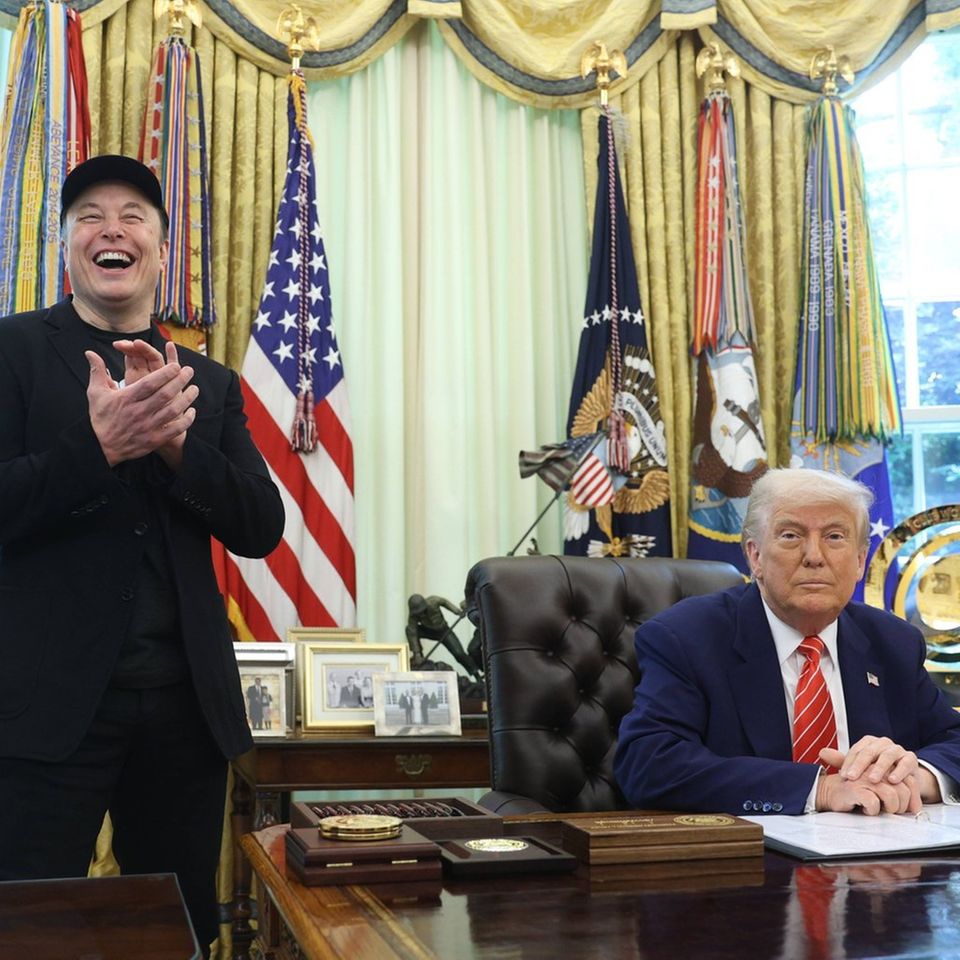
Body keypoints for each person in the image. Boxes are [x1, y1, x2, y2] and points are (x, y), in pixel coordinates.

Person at [0, 156, 285, 957]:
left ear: (161, 250)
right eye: (90, 215)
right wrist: (96, 449)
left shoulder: (207, 382)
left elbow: (262, 526)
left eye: (133, 215)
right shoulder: (13, 353)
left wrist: (175, 448)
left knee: (175, 926)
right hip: (43, 713)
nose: (111, 228)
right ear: (67, 247)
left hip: (181, 714)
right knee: (27, 928)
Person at [614, 468, 960, 817]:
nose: (814, 555)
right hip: (752, 861)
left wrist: (917, 775)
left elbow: (953, 739)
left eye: (835, 536)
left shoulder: (893, 642)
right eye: (791, 535)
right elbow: (648, 764)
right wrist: (819, 788)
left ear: (859, 562)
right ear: (755, 557)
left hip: (880, 861)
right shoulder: (686, 637)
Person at [405, 593, 483, 679]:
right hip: (428, 631)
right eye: (418, 613)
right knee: (409, 630)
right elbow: (412, 632)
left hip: (443, 631)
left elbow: (444, 602)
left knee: (459, 654)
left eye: (422, 611)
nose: (421, 615)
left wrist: (456, 611)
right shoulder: (413, 616)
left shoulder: (433, 601)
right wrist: (417, 654)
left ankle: (477, 676)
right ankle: (420, 658)